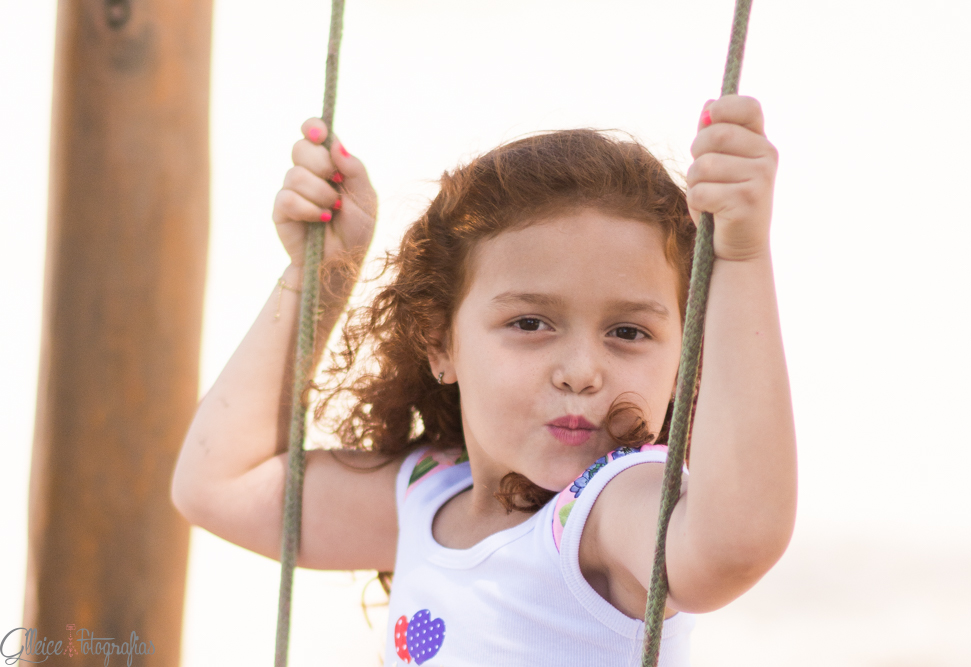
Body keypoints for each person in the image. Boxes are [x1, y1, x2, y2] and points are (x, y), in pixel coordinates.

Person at [171, 95, 796, 666]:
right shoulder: (426, 496)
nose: (581, 372)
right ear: (440, 342)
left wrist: (742, 257)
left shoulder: (605, 513)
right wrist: (320, 274)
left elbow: (731, 545)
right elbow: (218, 484)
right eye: (530, 323)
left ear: (684, 360)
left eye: (628, 332)